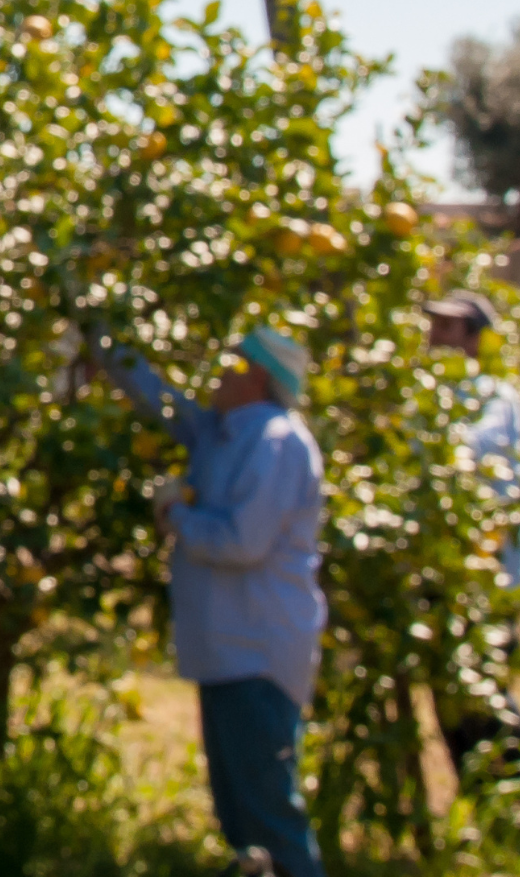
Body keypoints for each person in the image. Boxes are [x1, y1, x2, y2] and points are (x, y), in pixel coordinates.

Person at [96, 327, 327, 877]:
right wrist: (94, 328)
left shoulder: (276, 441)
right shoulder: (221, 432)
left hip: (258, 653)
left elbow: (243, 542)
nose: (221, 369)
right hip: (227, 653)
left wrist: (175, 515)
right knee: (242, 823)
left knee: (269, 817)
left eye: (235, 360)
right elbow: (156, 397)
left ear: (258, 376)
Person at [421, 290, 520, 837]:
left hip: (487, 578)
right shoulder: (421, 398)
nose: (436, 337)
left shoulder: (494, 397)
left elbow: (474, 455)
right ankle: (489, 813)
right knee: (450, 704)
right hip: (439, 574)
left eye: (449, 328)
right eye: (434, 326)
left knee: (486, 698)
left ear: (475, 339)